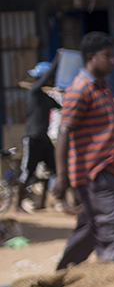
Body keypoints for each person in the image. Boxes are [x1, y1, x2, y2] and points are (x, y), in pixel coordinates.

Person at [53, 31, 114, 269]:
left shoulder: (102, 89)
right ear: (91, 58)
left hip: (107, 171)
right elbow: (64, 132)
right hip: (94, 173)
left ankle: (62, 273)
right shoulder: (80, 90)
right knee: (110, 228)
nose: (112, 61)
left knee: (89, 228)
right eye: (108, 56)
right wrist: (62, 176)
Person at [19, 60, 59, 211]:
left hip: (44, 138)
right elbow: (43, 79)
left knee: (55, 169)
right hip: (32, 138)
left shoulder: (47, 98)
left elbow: (63, 108)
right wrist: (57, 60)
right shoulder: (34, 91)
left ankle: (49, 202)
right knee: (27, 173)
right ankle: (18, 204)